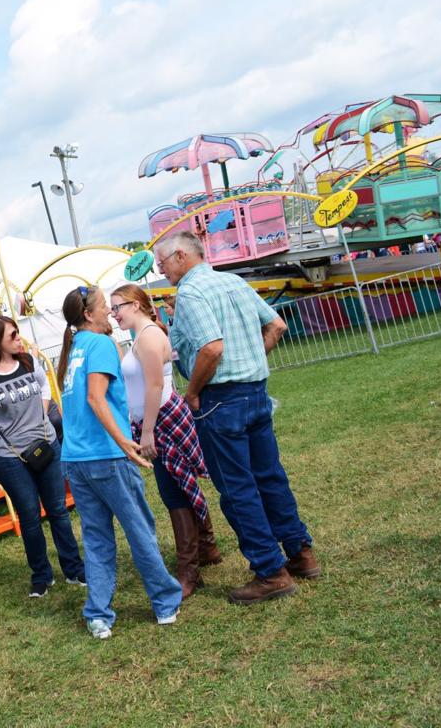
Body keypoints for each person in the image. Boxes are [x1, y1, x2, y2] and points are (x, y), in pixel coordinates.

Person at [157, 230, 320, 605]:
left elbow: (212, 349)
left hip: (221, 401)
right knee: (270, 477)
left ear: (181, 256)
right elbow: (276, 326)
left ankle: (270, 571)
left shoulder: (192, 293)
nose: (161, 270)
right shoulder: (233, 282)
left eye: (162, 262)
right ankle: (300, 554)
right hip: (255, 393)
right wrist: (251, 362)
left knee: (237, 489)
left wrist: (194, 391)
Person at [57, 286, 182, 640]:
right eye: (104, 307)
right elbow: (97, 400)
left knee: (96, 540)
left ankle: (98, 615)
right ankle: (165, 602)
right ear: (88, 315)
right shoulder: (99, 345)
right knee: (139, 529)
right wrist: (123, 443)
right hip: (106, 457)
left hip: (77, 460)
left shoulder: (74, 349)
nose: (110, 314)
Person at [0, 315, 85, 598]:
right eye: (12, 335)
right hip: (12, 458)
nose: (18, 339)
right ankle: (42, 576)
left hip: (47, 444)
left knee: (59, 510)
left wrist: (44, 408)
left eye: (17, 333)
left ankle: (73, 569)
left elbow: (45, 384)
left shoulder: (27, 361)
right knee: (29, 516)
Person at [110, 284, 222, 597]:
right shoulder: (142, 335)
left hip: (161, 419)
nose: (113, 312)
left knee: (174, 490)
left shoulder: (147, 336)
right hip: (157, 418)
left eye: (117, 306)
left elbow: (155, 385)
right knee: (181, 485)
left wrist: (147, 431)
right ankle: (206, 548)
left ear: (134, 304)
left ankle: (190, 570)